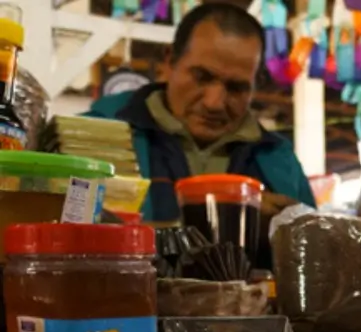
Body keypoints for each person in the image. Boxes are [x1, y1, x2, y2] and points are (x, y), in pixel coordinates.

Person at [85, 2, 316, 224]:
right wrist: (232, 215)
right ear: (170, 61)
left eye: (236, 88)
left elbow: (317, 253)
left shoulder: (281, 161)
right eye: (202, 77)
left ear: (255, 86)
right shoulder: (94, 136)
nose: (214, 103)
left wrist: (285, 234)